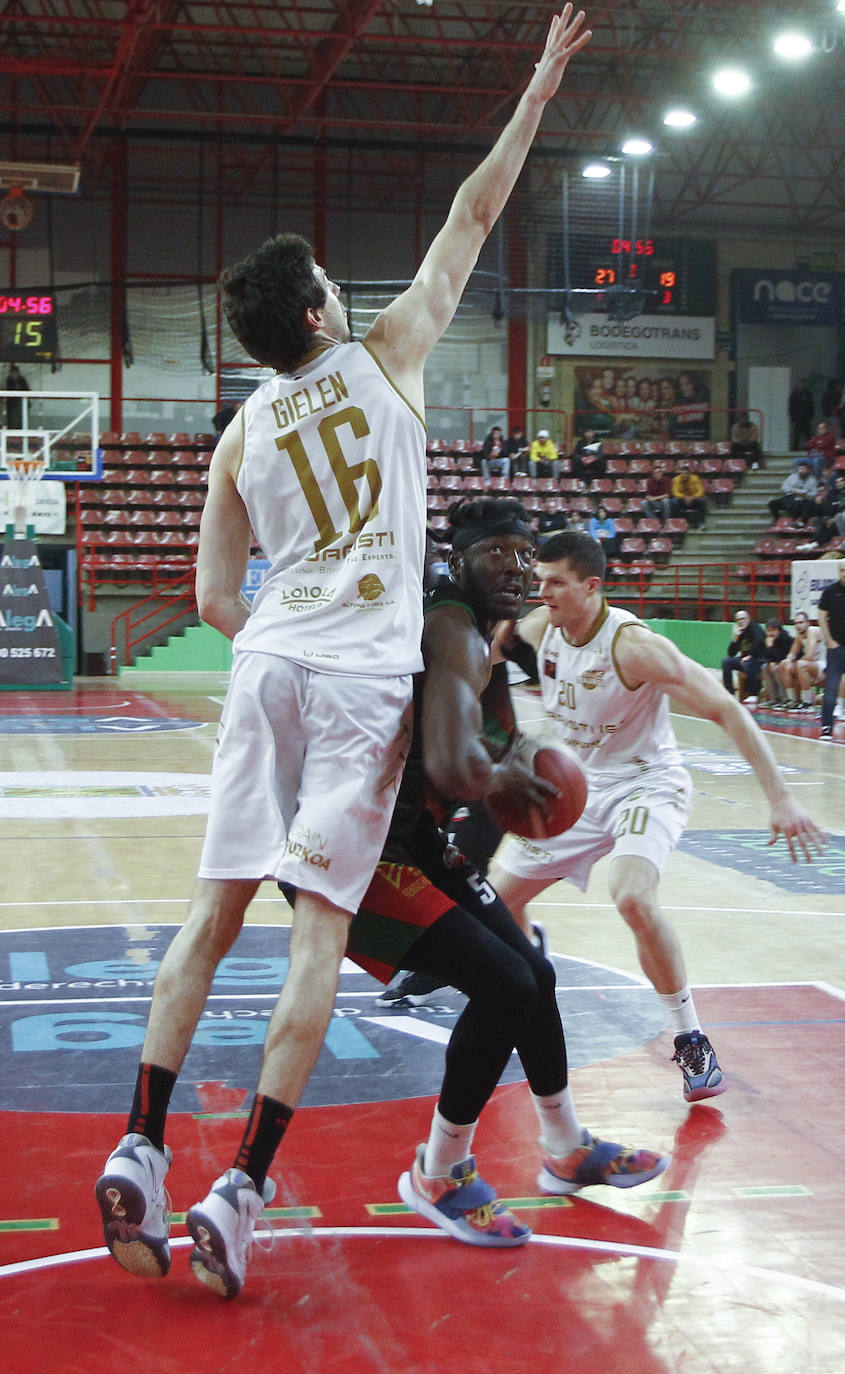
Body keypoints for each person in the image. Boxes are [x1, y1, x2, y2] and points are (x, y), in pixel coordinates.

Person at [94, 4, 595, 1301]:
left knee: (206, 916)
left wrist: (277, 632)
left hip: (263, 662)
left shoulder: (235, 434)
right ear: (320, 302)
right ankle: (241, 1182)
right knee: (318, 933)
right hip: (360, 679)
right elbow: (471, 223)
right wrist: (536, 92)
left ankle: (141, 1142)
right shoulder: (384, 359)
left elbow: (211, 594)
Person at [352, 497, 669, 1242]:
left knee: (535, 975)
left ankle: (565, 1149)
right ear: (457, 558)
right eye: (498, 551)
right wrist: (505, 776)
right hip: (364, 858)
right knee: (506, 984)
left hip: (418, 841)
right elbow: (460, 767)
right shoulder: (450, 628)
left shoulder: (484, 636)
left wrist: (513, 758)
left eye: (526, 556)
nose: (518, 568)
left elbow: (480, 750)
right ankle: (439, 1170)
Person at [488, 531, 825, 1103]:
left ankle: (691, 1036)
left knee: (634, 898)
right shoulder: (540, 627)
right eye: (539, 580)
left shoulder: (633, 645)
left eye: (555, 583)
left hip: (645, 783)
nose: (541, 592)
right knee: (497, 908)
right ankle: (533, 972)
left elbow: (726, 709)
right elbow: (478, 661)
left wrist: (781, 798)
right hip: (573, 786)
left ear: (592, 587)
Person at [818, 559, 845, 741]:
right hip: (836, 648)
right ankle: (827, 726)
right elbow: (821, 617)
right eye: (842, 570)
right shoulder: (830, 591)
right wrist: (829, 640)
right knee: (831, 687)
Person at [778, 611, 825, 713]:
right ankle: (792, 700)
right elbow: (792, 654)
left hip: (824, 666)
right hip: (813, 667)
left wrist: (793, 665)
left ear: (808, 623)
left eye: (801, 622)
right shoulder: (799, 636)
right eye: (796, 623)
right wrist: (789, 661)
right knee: (783, 664)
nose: (798, 626)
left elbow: (809, 656)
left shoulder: (812, 631)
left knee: (800, 664)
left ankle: (807, 703)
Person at [721, 609, 766, 704]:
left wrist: (750, 655)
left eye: (743, 619)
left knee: (748, 664)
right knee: (726, 661)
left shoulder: (755, 628)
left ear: (748, 618)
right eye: (739, 620)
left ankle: (753, 693)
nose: (741, 621)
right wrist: (735, 640)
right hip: (744, 659)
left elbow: (760, 641)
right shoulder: (739, 632)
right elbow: (731, 653)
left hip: (759, 659)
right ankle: (729, 691)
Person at [760, 618, 793, 707]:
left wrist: (771, 647)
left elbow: (781, 656)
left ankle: (784, 698)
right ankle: (774, 698)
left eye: (773, 630)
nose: (771, 633)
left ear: (779, 630)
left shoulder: (786, 639)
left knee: (778, 669)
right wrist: (771, 661)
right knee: (765, 667)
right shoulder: (768, 640)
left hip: (787, 664)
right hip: (777, 663)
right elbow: (765, 656)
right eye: (768, 631)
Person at [671, 459, 707, 529]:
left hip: (693, 500)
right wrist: (684, 497)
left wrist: (693, 497)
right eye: (682, 473)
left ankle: (701, 523)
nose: (684, 475)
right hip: (682, 501)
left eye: (685, 473)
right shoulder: (676, 479)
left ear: (689, 473)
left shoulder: (695, 478)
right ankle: (677, 523)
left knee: (702, 500)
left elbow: (701, 491)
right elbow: (675, 492)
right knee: (674, 501)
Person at [642, 460, 674, 524]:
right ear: (653, 474)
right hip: (655, 502)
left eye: (659, 472)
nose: (657, 474)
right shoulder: (650, 481)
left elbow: (668, 495)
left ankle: (666, 523)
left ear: (662, 473)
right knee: (644, 503)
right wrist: (649, 498)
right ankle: (656, 522)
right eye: (655, 473)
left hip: (665, 503)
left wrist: (655, 498)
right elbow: (648, 494)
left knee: (666, 501)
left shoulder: (667, 480)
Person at [4, 361, 29, 430]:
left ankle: (20, 431)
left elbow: (27, 390)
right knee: (12, 419)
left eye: (15, 373)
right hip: (12, 404)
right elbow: (8, 391)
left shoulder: (22, 380)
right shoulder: (9, 380)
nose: (13, 374)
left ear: (18, 373)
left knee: (21, 419)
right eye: (12, 373)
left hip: (21, 402)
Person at [789, 382, 814, 450]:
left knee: (807, 434)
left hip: (806, 417)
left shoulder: (808, 394)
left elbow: (811, 406)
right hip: (797, 417)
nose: (801, 386)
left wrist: (811, 416)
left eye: (802, 384)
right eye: (800, 384)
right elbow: (791, 407)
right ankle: (795, 448)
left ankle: (809, 447)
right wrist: (793, 418)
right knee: (797, 434)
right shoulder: (794, 395)